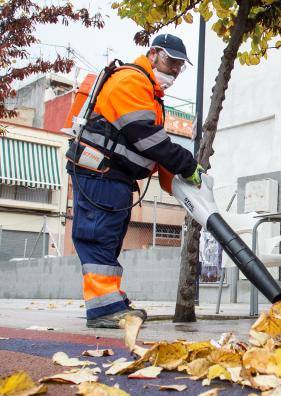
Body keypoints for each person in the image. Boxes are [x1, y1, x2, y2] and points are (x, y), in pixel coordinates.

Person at [67, 33, 203, 328]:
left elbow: (149, 141)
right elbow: (144, 135)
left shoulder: (148, 90)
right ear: (153, 53)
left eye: (180, 65)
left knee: (109, 238)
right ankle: (103, 309)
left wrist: (178, 172)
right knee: (99, 236)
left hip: (111, 176)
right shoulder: (132, 81)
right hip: (101, 173)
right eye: (171, 61)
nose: (175, 70)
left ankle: (112, 301)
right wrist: (185, 162)